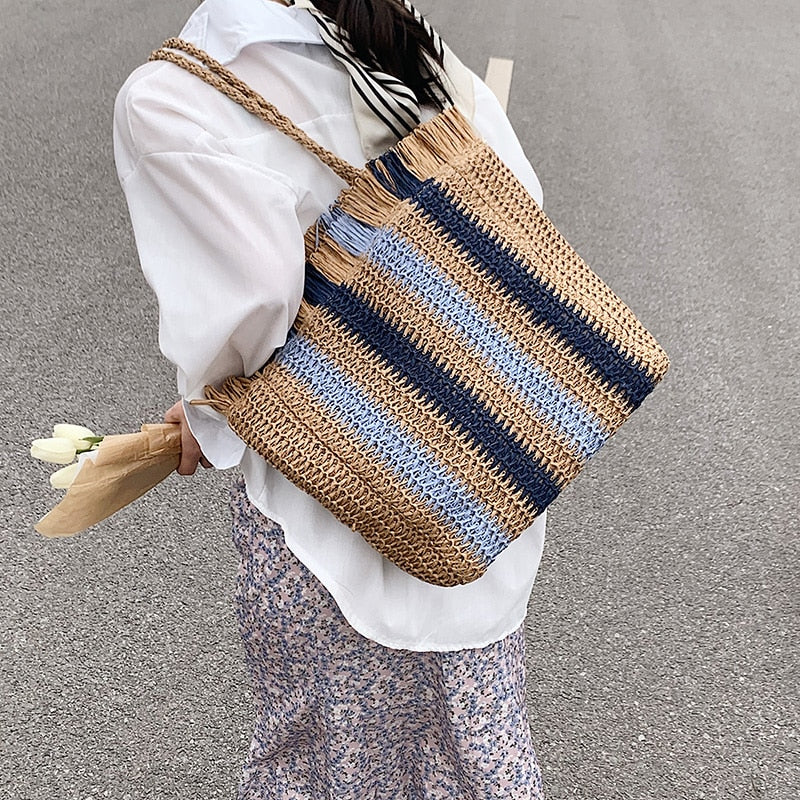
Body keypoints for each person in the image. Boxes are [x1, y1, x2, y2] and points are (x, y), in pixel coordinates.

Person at [114, 0, 548, 796]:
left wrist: (207, 415)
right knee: (468, 755)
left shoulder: (173, 94)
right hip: (477, 479)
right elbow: (519, 200)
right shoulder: (389, 28)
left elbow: (248, 307)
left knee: (327, 763)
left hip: (327, 502)